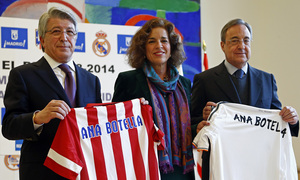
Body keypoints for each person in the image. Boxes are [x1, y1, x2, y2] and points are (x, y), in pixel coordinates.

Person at [191, 18, 299, 180]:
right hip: (221, 166)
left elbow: (278, 123)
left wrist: (293, 120)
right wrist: (203, 121)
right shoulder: (205, 79)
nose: (241, 46)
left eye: (246, 40)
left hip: (260, 166)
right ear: (223, 45)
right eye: (234, 41)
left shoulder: (266, 79)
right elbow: (191, 122)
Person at [1, 7, 102, 180]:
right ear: (42, 40)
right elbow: (9, 127)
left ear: (76, 39)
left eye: (70, 32)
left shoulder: (91, 80)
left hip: (84, 171)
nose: (64, 37)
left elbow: (99, 125)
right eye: (56, 31)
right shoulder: (23, 75)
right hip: (42, 172)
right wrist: (37, 118)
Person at [112, 18, 195, 179]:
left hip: (182, 170)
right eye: (152, 41)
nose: (159, 46)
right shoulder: (128, 80)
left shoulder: (184, 84)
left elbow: (189, 125)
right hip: (144, 167)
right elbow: (116, 127)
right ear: (143, 48)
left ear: (171, 47)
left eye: (164, 41)